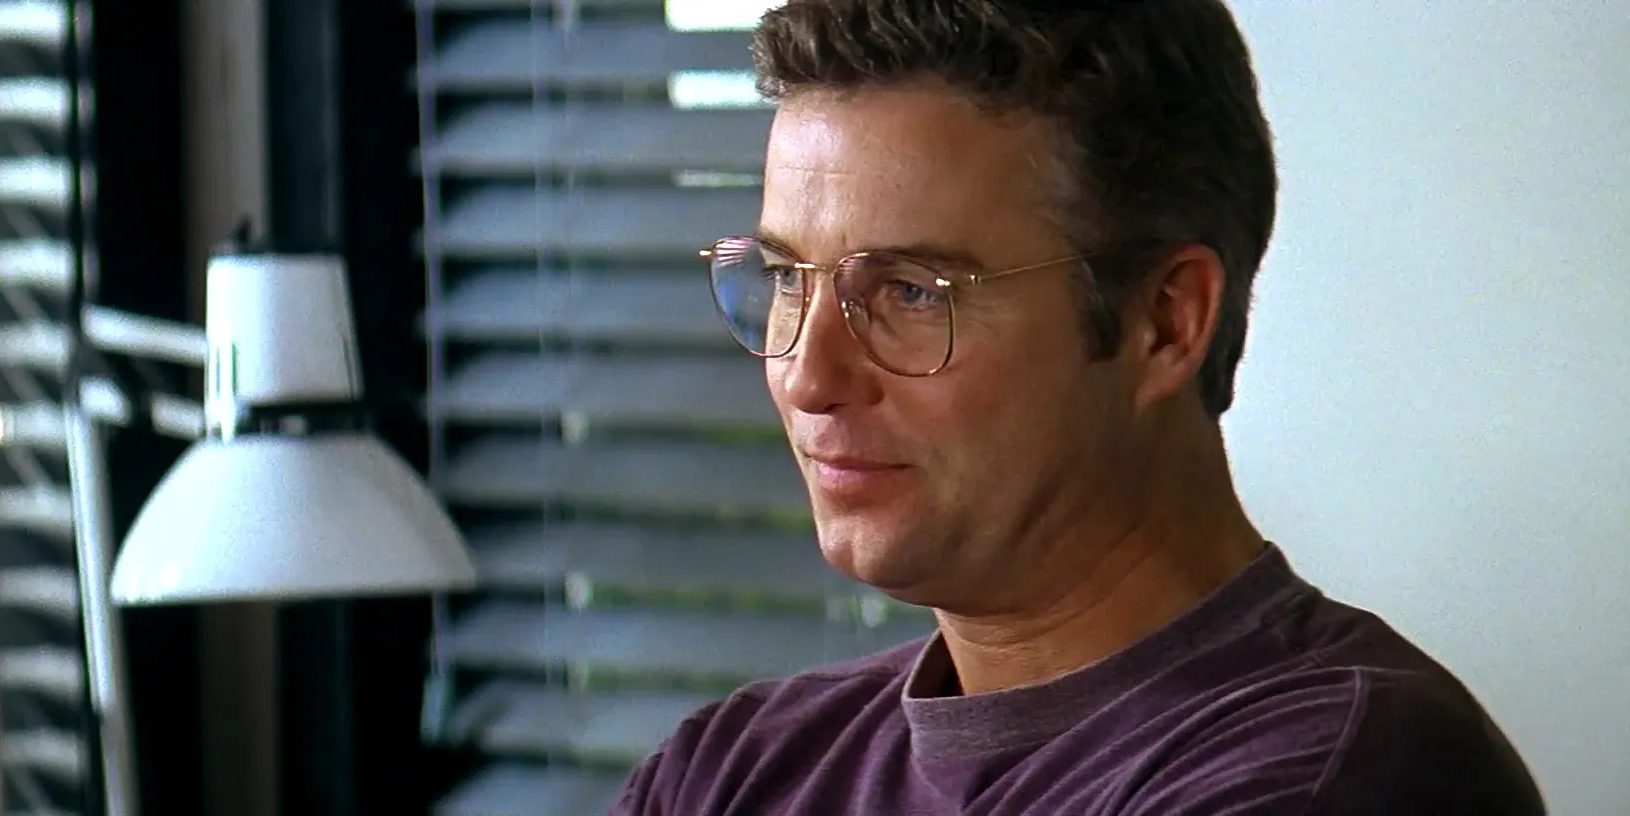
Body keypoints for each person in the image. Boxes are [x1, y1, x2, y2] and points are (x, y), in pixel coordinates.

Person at [611, 1, 1546, 814]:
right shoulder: (730, 771)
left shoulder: (1335, 777)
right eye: (787, 277)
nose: (808, 377)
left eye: (911, 292)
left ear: (1165, 323)